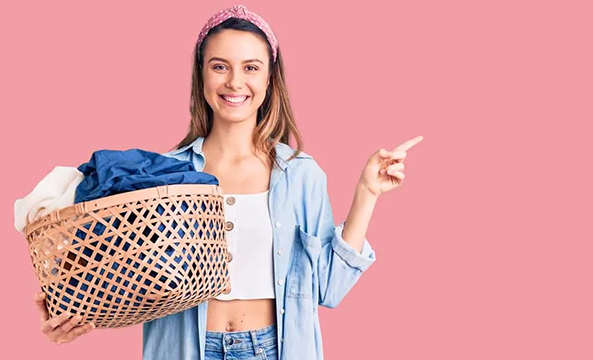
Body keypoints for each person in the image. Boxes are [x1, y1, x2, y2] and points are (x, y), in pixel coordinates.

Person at [33, 4, 423, 359]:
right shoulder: (160, 175)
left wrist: (367, 193)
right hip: (186, 349)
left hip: (277, 348)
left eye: (251, 67)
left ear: (269, 79)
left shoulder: (302, 174)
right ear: (201, 76)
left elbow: (330, 290)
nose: (235, 81)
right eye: (220, 66)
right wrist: (72, 312)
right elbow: (117, 272)